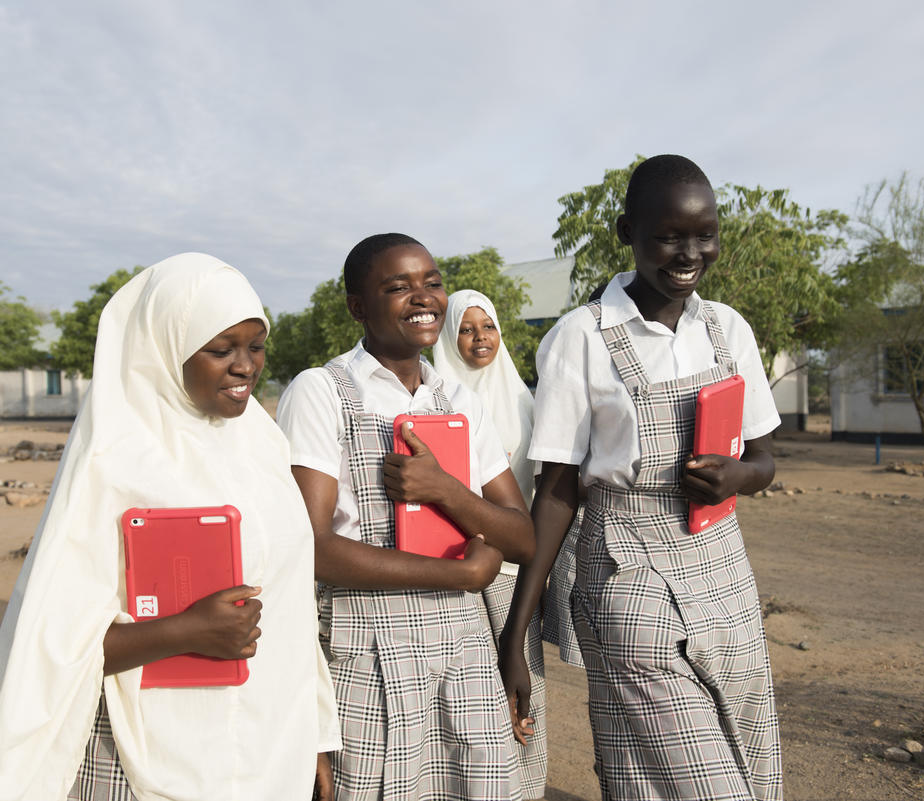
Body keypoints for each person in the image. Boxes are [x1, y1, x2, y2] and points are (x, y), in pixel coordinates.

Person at [0, 254, 340, 801]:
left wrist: (313, 735)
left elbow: (290, 611)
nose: (245, 366)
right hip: (150, 760)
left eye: (256, 346)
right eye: (220, 349)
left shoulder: (263, 444)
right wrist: (184, 631)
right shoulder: (116, 460)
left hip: (269, 748)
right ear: (167, 347)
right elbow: (54, 648)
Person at [499, 155, 783, 801]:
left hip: (722, 565)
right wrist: (516, 632)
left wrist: (738, 474)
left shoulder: (727, 329)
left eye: (704, 234)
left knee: (750, 753)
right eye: (668, 236)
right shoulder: (581, 337)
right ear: (627, 231)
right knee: (695, 781)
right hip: (626, 573)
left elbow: (766, 460)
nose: (689, 253)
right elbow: (558, 491)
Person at [277, 233, 535, 801]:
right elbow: (312, 547)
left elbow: (522, 536)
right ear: (357, 307)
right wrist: (462, 573)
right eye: (398, 287)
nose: (424, 298)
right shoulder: (322, 393)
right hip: (364, 645)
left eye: (432, 283)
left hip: (462, 643)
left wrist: (448, 492)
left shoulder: (458, 402)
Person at [431, 289, 547, 799]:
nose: (480, 338)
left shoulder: (523, 399)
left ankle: (527, 786)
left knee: (522, 684)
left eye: (489, 326)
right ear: (446, 337)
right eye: (465, 328)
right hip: (454, 565)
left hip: (516, 569)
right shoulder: (437, 395)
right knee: (470, 698)